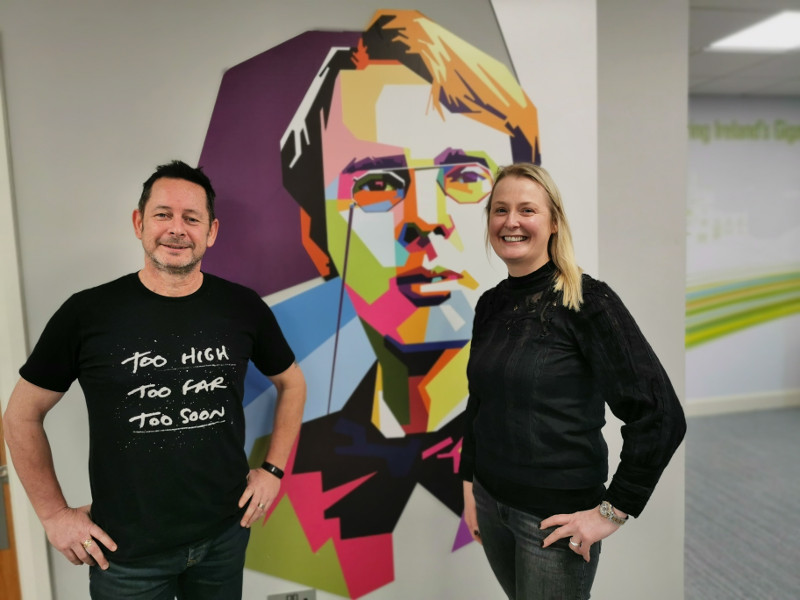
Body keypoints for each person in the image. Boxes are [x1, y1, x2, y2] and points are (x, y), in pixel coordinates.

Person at [196, 10, 542, 598]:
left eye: (462, 178)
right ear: (317, 233)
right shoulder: (287, 468)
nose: (425, 222)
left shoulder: (545, 418)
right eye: (378, 185)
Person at [2, 160, 306, 599]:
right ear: (139, 222)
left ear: (212, 231)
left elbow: (292, 383)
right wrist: (53, 516)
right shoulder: (87, 313)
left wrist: (273, 470)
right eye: (163, 214)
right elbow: (20, 416)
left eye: (191, 218)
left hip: (224, 535)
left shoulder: (242, 308)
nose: (176, 229)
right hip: (126, 557)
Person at [459, 163, 687, 599]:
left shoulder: (588, 301)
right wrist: (470, 487)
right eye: (500, 210)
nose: (511, 221)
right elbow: (479, 404)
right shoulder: (490, 305)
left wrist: (612, 512)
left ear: (553, 223)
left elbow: (660, 415)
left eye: (527, 210)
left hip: (553, 520)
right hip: (491, 502)